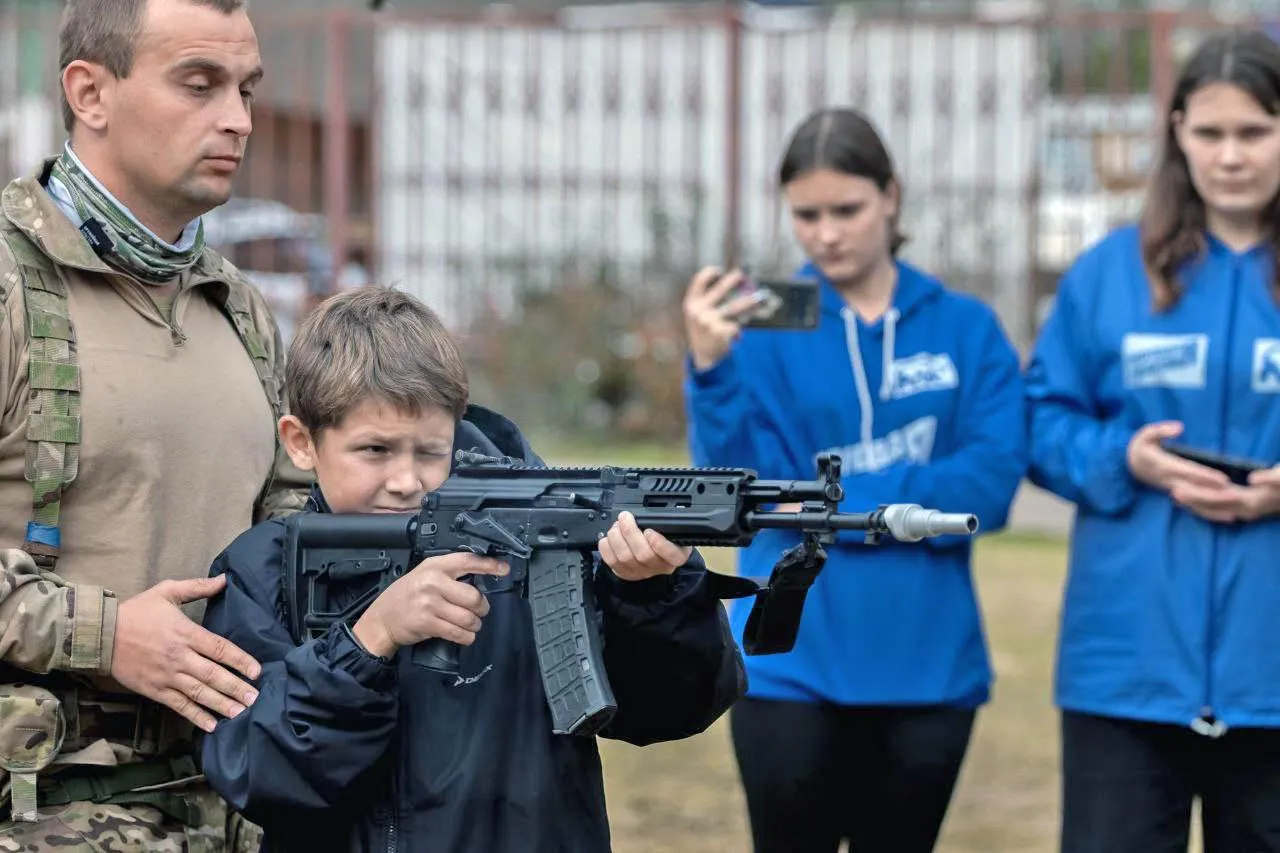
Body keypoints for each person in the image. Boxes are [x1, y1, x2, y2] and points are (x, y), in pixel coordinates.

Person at [197, 286, 747, 853]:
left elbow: (675, 709)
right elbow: (256, 773)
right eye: (375, 451)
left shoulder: (542, 554)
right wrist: (368, 642)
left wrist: (653, 596)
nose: (407, 480)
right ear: (301, 443)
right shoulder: (262, 571)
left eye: (430, 451)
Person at [0, 0, 310, 848]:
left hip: (234, 805)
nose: (238, 119)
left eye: (246, 89)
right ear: (89, 93)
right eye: (199, 85)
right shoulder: (9, 292)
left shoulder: (241, 310)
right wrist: (107, 635)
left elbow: (288, 545)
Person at [681, 106, 1027, 853]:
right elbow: (745, 488)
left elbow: (991, 481)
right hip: (790, 660)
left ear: (891, 195)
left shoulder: (966, 327)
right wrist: (710, 371)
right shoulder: (762, 325)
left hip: (927, 667)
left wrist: (840, 499)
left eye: (847, 209)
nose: (826, 232)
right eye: (806, 214)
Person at [1025, 29, 1280, 853]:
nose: (1231, 156)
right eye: (1210, 133)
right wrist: (1122, 458)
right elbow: (1039, 421)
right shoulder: (1107, 275)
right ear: (1176, 132)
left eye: (1255, 131)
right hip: (1126, 668)